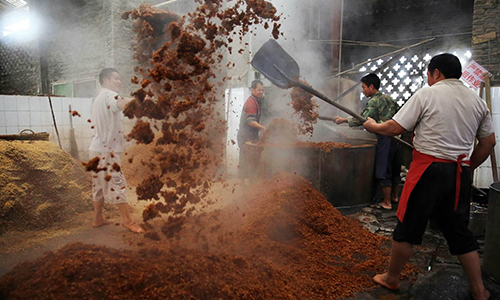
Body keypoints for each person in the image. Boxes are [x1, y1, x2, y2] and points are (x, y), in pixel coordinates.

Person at [363, 53, 494, 300]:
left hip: (428, 172)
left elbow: (395, 127)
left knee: (408, 226)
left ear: (436, 73)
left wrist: (373, 127)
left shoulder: (428, 93)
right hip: (458, 173)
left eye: (428, 74)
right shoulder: (477, 102)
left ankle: (391, 279)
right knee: (458, 232)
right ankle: (479, 290)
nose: (428, 78)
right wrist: (467, 168)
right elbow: (488, 143)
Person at [89, 67, 144, 234]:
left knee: (98, 185)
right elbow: (121, 104)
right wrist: (140, 100)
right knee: (117, 183)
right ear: (105, 80)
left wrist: (124, 136)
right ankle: (128, 220)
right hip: (106, 153)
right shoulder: (109, 95)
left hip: (96, 150)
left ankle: (97, 218)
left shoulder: (99, 98)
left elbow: (107, 126)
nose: (119, 81)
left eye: (120, 78)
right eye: (115, 78)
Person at [334, 73, 401, 210]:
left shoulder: (373, 101)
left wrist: (343, 120)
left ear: (371, 86)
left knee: (383, 170)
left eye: (364, 87)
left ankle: (386, 203)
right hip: (396, 138)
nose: (363, 91)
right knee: (394, 169)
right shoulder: (389, 99)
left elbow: (363, 119)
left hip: (385, 138)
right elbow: (400, 114)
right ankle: (394, 197)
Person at [237, 79, 266, 182]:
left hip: (251, 135)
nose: (261, 92)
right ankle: (244, 185)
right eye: (259, 90)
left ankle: (248, 183)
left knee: (249, 160)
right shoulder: (251, 103)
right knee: (246, 161)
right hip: (245, 137)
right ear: (252, 89)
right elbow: (250, 121)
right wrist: (263, 128)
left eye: (262, 90)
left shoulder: (256, 101)